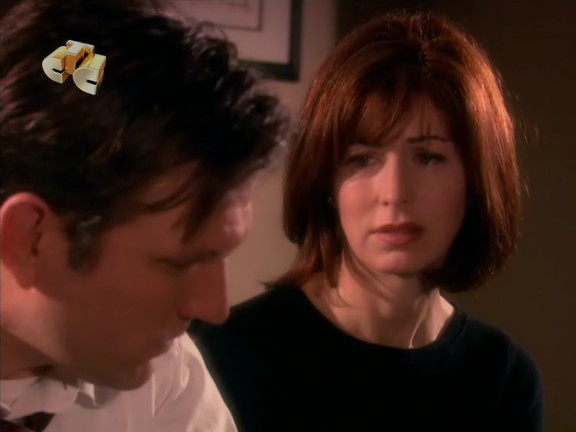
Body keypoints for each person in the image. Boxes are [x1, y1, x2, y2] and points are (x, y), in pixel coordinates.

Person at [193, 11, 544, 432]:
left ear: (475, 182)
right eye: (362, 159)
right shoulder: (224, 355)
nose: (394, 192)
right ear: (327, 182)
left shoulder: (503, 378)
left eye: (428, 157)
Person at [0, 0, 287, 430]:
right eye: (177, 262)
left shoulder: (166, 374)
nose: (215, 309)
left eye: (219, 255)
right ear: (31, 237)